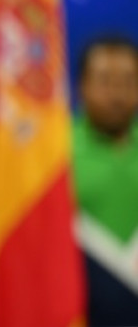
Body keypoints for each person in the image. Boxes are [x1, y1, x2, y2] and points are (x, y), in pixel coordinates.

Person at [72, 36, 138, 326]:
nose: (117, 94)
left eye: (128, 81)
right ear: (81, 87)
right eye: (104, 81)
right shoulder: (52, 156)